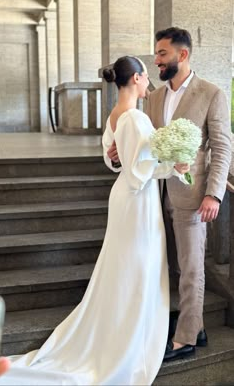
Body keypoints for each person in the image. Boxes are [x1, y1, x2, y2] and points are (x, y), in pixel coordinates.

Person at [0, 56, 189, 386]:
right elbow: (138, 174)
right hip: (137, 201)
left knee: (124, 267)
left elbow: (112, 158)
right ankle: (128, 341)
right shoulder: (135, 118)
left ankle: (118, 328)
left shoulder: (115, 116)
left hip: (125, 201)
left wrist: (138, 160)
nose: (149, 83)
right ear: (138, 78)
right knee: (138, 267)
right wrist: (174, 167)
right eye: (146, 77)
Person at [108, 29, 232, 361]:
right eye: (156, 54)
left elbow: (221, 148)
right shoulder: (155, 97)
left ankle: (187, 339)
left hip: (193, 198)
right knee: (171, 267)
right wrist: (120, 151)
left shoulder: (212, 93)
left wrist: (214, 195)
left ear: (183, 55)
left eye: (162, 54)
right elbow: (145, 144)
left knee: (192, 268)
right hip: (152, 196)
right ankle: (197, 325)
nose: (157, 60)